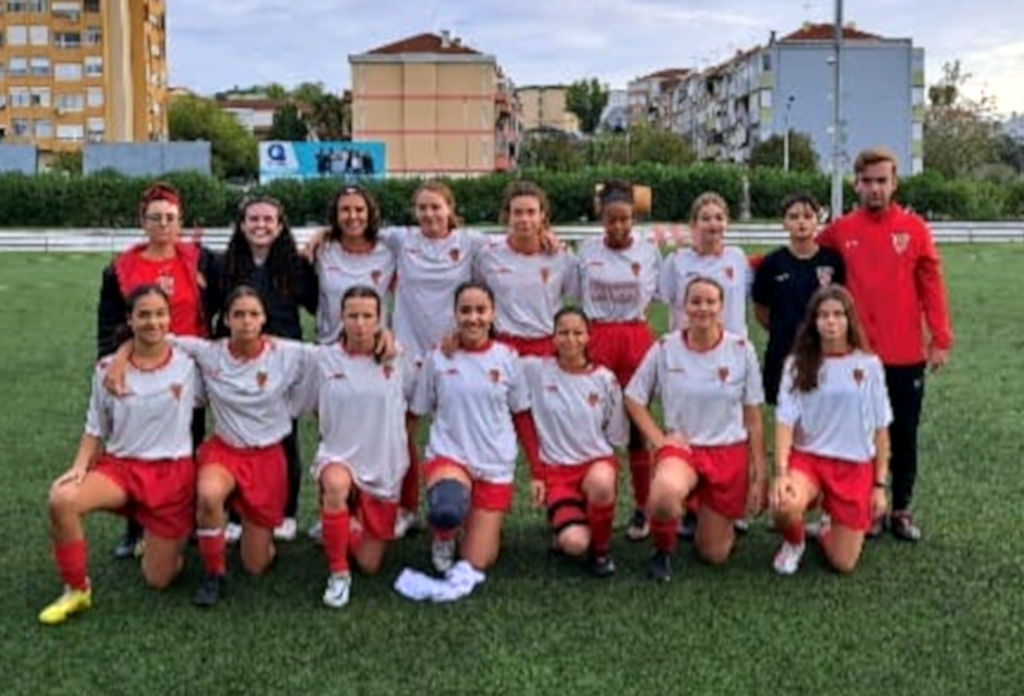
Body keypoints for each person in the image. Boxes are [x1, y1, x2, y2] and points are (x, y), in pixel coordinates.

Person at [40, 286, 201, 625]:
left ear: (170, 318)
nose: (153, 322)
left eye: (160, 314)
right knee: (62, 499)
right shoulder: (106, 369)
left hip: (171, 476)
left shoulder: (189, 362)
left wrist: (124, 351)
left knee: (159, 579)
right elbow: (95, 427)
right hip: (122, 469)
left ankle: (164, 539)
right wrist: (79, 467)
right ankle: (77, 589)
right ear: (129, 319)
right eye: (144, 315)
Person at [817, 146, 953, 541]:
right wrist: (748, 265)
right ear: (856, 184)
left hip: (905, 354)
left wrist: (940, 338)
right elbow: (805, 256)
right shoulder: (841, 230)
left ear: (894, 184)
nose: (875, 188)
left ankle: (901, 509)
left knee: (903, 434)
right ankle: (868, 508)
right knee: (860, 433)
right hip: (856, 355)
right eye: (867, 181)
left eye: (882, 181)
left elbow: (932, 285)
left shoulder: (914, 229)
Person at [96, 182, 218, 559]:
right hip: (138, 367)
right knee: (135, 447)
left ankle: (187, 521)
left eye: (170, 218)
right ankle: (136, 528)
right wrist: (113, 362)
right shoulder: (121, 268)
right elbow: (109, 324)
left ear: (180, 222)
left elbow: (230, 299)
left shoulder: (202, 261)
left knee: (187, 445)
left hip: (186, 372)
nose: (163, 224)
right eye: (156, 218)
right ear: (143, 222)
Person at [625, 277, 766, 582]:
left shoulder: (741, 349)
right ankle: (663, 549)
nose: (703, 308)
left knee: (714, 555)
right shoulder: (665, 347)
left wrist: (760, 472)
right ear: (684, 307)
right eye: (696, 301)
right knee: (664, 495)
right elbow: (633, 398)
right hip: (683, 449)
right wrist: (660, 441)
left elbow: (753, 417)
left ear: (721, 307)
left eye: (710, 301)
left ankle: (701, 509)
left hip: (727, 452)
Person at [294, 286, 416, 609]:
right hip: (339, 458)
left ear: (379, 319)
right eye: (352, 316)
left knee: (370, 564)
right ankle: (338, 574)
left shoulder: (397, 357)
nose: (360, 324)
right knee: (335, 484)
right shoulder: (323, 359)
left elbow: (414, 399)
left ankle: (340, 523)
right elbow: (311, 404)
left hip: (383, 467)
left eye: (367, 316)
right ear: (341, 318)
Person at [409, 282, 537, 576]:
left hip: (494, 464)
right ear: (455, 314)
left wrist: (537, 470)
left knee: (477, 561)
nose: (473, 318)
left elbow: (521, 414)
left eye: (481, 310)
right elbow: (416, 411)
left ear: (493, 314)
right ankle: (444, 534)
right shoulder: (438, 357)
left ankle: (478, 523)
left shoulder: (508, 358)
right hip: (450, 457)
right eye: (465, 311)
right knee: (447, 508)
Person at [769, 285, 893, 575]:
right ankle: (795, 542)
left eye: (838, 314)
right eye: (823, 315)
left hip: (853, 467)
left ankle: (828, 524)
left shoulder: (869, 365)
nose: (831, 321)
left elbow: (881, 429)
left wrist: (879, 486)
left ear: (849, 319)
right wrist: (781, 472)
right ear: (813, 321)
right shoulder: (796, 364)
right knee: (783, 504)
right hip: (809, 460)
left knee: (843, 563)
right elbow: (785, 421)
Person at [219, 196, 317, 542]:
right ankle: (235, 513)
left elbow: (319, 305)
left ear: (279, 225)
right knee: (236, 439)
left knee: (284, 439)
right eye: (253, 219)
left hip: (282, 366)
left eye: (268, 220)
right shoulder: (225, 264)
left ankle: (286, 513)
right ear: (242, 224)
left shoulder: (297, 265)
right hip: (238, 364)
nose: (260, 225)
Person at [575, 179, 662, 541]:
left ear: (633, 218)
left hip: (635, 340)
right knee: (593, 427)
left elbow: (662, 293)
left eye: (624, 219)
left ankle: (643, 506)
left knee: (638, 428)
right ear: (602, 219)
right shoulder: (585, 250)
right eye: (611, 219)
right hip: (597, 338)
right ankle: (590, 505)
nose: (618, 226)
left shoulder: (649, 251)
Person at [522, 308, 628, 577]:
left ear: (589, 337)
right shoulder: (535, 370)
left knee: (601, 482)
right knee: (575, 544)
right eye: (563, 333)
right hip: (557, 472)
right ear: (553, 337)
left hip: (594, 463)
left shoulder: (604, 379)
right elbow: (494, 360)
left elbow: (615, 434)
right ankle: (571, 524)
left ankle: (601, 551)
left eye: (578, 333)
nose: (571, 339)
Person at [752, 192, 845, 404]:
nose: (801, 222)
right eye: (793, 217)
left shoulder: (832, 261)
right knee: (787, 412)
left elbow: (842, 304)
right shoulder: (772, 263)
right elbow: (761, 310)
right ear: (784, 223)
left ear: (817, 220)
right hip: (784, 350)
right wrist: (782, 329)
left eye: (807, 216)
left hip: (823, 349)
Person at [473, 181, 578, 357]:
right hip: (503, 346)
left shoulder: (562, 256)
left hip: (548, 347)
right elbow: (479, 297)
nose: (524, 219)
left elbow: (575, 298)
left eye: (531, 212)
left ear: (542, 215)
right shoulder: (488, 255)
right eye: (518, 212)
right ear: (508, 216)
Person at [659, 192, 749, 337]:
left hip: (731, 346)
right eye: (706, 219)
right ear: (693, 224)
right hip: (688, 345)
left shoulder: (737, 258)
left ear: (727, 223)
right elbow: (661, 298)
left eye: (719, 218)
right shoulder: (676, 260)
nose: (713, 224)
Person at [314, 184, 395, 345]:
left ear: (369, 213)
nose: (352, 216)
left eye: (359, 210)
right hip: (329, 347)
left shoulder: (388, 252)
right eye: (345, 210)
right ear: (336, 215)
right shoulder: (322, 250)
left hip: (374, 347)